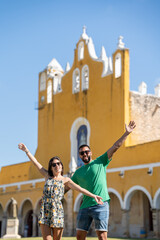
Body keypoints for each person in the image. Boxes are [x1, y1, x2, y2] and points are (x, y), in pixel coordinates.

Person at [18, 143, 103, 240]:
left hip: (57, 211)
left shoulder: (66, 180)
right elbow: (35, 162)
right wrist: (27, 151)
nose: (56, 166)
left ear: (61, 166)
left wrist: (94, 196)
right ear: (51, 167)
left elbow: (80, 189)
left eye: (58, 163)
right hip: (45, 210)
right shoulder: (47, 176)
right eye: (53, 164)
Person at [70, 121, 136, 240]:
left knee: (102, 236)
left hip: (100, 204)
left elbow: (115, 147)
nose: (84, 154)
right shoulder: (77, 173)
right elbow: (68, 186)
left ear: (90, 152)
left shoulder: (100, 161)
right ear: (79, 155)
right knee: (79, 236)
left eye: (86, 152)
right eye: (82, 153)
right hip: (84, 206)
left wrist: (126, 133)